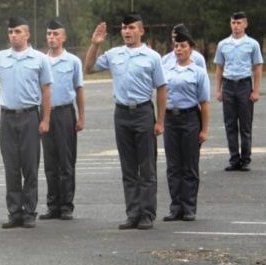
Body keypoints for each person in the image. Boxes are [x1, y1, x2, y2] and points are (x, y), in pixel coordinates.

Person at [84, 13, 166, 230]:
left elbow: (161, 88)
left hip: (143, 112)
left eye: (131, 28)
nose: (127, 32)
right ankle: (133, 213)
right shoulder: (114, 54)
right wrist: (94, 44)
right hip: (122, 114)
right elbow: (89, 68)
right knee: (128, 168)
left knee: (146, 167)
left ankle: (147, 213)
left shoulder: (152, 57)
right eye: (123, 28)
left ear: (141, 30)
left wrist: (160, 121)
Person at [0, 17, 53, 229]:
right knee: (11, 167)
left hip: (29, 116)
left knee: (29, 167)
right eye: (10, 31)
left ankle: (29, 212)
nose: (13, 35)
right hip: (7, 117)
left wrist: (45, 119)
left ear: (27, 34)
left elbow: (46, 90)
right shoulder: (1, 57)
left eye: (17, 31)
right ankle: (14, 212)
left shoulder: (39, 59)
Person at [39, 19, 85, 221]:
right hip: (45, 114)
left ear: (63, 36)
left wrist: (81, 115)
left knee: (66, 162)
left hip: (65, 113)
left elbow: (79, 89)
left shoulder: (73, 61)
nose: (52, 37)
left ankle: (66, 205)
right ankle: (53, 205)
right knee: (50, 162)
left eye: (56, 34)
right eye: (49, 33)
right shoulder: (40, 60)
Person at [162, 30, 211, 222]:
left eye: (183, 46)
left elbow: (205, 103)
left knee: (189, 165)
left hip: (190, 117)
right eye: (176, 46)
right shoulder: (167, 70)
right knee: (173, 166)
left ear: (191, 48)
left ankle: (189, 207)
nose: (179, 49)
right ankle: (176, 207)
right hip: (170, 119)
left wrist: (204, 129)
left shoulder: (198, 72)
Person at [214, 11, 263, 172]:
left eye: (239, 23)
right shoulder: (223, 44)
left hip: (244, 85)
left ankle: (245, 159)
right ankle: (234, 158)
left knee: (245, 125)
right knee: (230, 124)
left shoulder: (252, 44)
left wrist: (256, 91)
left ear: (245, 24)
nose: (236, 26)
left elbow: (257, 67)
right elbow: (219, 67)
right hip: (228, 85)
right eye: (233, 23)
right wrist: (218, 90)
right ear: (230, 24)